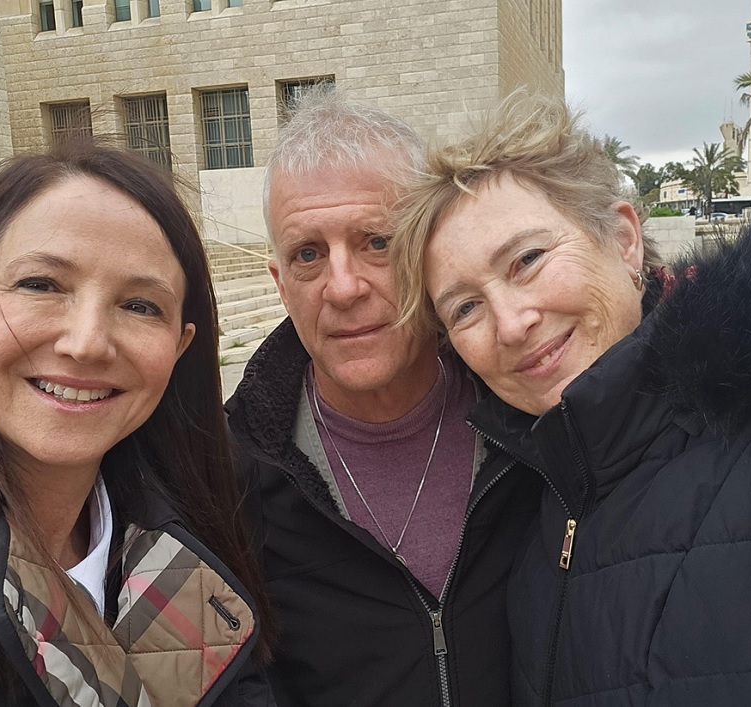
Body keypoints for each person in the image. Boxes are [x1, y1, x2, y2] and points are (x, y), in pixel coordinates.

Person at [392, 92, 751, 706]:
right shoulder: (532, 501)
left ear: (623, 239)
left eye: (527, 260)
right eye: (465, 308)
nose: (511, 324)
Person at [0, 140, 274, 706]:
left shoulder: (202, 530)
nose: (86, 343)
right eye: (41, 285)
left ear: (179, 349)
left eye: (140, 306)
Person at [226, 90, 543, 706]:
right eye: (308, 255)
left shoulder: (534, 418)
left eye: (376, 242)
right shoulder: (230, 477)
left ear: (427, 251)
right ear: (281, 284)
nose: (343, 288)